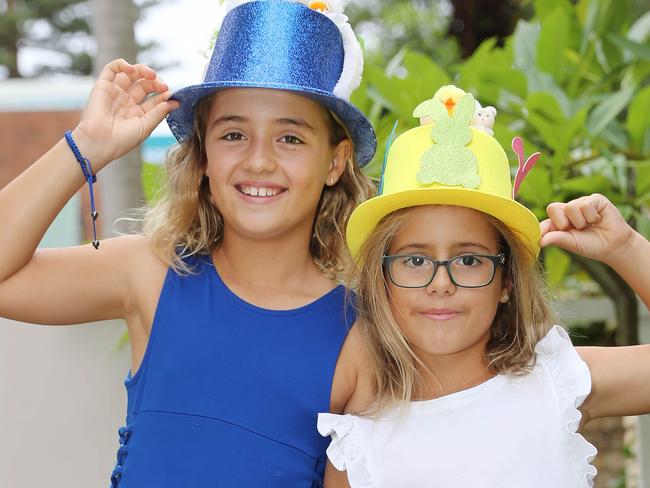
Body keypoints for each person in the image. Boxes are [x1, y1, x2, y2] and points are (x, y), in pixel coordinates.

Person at [0, 1, 377, 486]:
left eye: (290, 139)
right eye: (234, 134)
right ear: (201, 157)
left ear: (335, 162)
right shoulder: (150, 273)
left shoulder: (360, 335)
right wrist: (87, 147)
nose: (258, 161)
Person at [317, 86, 650, 488]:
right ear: (381, 279)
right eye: (415, 260)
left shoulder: (555, 381)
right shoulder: (358, 450)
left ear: (507, 279)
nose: (441, 283)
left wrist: (627, 248)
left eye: (470, 260)